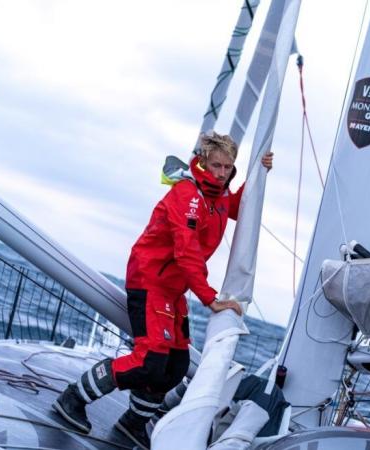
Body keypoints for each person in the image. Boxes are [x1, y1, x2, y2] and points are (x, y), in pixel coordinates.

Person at [53, 132, 273, 449]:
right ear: (202, 162)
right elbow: (186, 253)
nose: (222, 173)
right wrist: (211, 299)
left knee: (176, 367)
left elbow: (237, 206)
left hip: (173, 289)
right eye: (216, 166)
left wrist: (260, 172)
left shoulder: (220, 194)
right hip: (150, 281)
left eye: (228, 167)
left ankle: (134, 422)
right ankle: (73, 398)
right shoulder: (187, 195)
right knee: (150, 361)